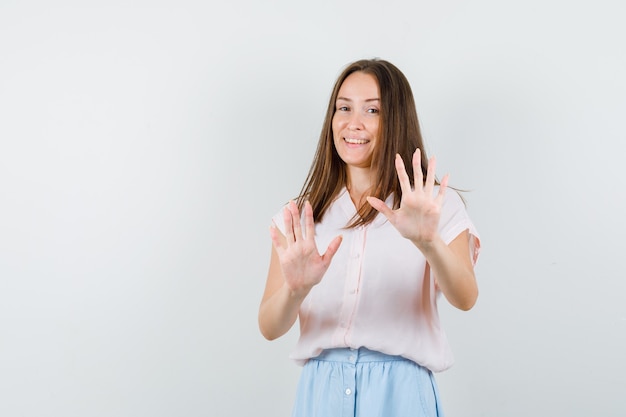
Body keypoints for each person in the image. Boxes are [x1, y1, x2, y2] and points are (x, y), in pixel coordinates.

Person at [258, 58, 480, 417]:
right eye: (343, 108)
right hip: (320, 393)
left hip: (401, 393)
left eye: (372, 110)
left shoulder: (433, 204)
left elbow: (466, 296)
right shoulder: (300, 216)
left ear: (396, 119)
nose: (353, 123)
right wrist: (296, 290)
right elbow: (269, 326)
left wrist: (428, 243)